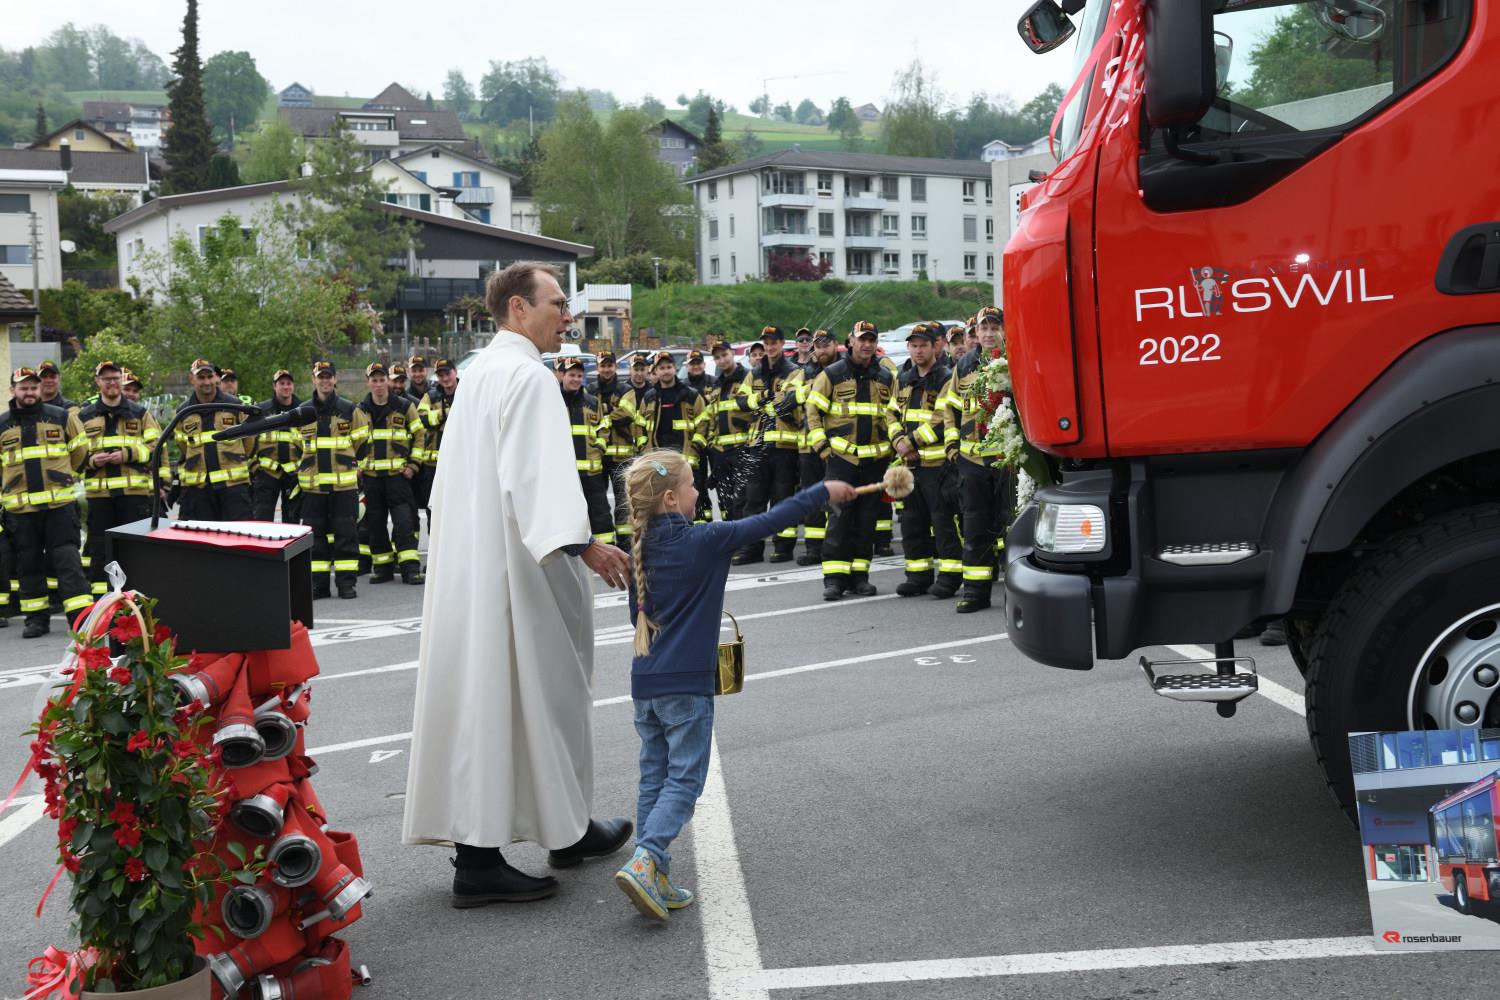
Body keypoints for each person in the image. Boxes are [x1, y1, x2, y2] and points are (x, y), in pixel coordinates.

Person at [403, 261, 634, 907]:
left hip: (481, 562)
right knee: (527, 700)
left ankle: (568, 828)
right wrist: (584, 543)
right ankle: (479, 863)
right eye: (557, 303)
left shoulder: (482, 371)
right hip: (516, 571)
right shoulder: (527, 377)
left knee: (502, 701)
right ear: (518, 309)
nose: (568, 315)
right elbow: (536, 479)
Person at [613, 448, 855, 919]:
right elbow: (767, 522)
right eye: (690, 486)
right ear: (670, 499)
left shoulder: (641, 549)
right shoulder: (706, 539)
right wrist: (821, 492)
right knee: (685, 779)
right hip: (687, 687)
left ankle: (655, 871)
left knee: (654, 777)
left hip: (645, 683)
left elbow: (637, 618)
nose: (697, 492)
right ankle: (645, 859)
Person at [806, 321, 894, 600]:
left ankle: (860, 577)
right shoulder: (832, 374)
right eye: (861, 339)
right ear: (851, 342)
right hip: (841, 460)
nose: (866, 344)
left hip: (875, 462)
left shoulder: (885, 376)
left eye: (871, 339)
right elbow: (812, 411)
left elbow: (894, 415)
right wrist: (822, 447)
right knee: (839, 519)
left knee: (866, 522)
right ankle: (834, 580)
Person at [1, 367, 90, 638]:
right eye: (23, 388)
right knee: (28, 565)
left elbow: (81, 452)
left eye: (33, 387)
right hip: (20, 510)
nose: (29, 392)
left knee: (67, 561)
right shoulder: (2, 425)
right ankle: (36, 620)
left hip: (59, 508)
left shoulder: (61, 417)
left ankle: (81, 619)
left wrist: (63, 478)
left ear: (40, 389)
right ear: (13, 390)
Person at [938, 305, 1013, 613]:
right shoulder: (965, 365)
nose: (989, 333)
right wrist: (952, 448)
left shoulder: (1014, 360)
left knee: (1011, 528)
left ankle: (1016, 593)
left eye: (995, 327)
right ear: (976, 332)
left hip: (1007, 460)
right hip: (972, 462)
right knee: (974, 527)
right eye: (984, 328)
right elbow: (951, 408)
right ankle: (975, 592)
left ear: (1005, 331)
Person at [887, 324, 961, 598]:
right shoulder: (904, 378)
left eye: (923, 345)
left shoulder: (945, 378)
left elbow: (941, 420)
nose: (918, 351)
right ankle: (917, 576)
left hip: (937, 467)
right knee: (912, 522)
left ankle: (950, 578)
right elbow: (891, 414)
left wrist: (911, 442)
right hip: (910, 466)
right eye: (914, 346)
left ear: (935, 347)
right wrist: (899, 442)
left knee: (943, 523)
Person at [78, 360, 160, 597]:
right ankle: (102, 602)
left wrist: (127, 454)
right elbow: (73, 453)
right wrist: (92, 460)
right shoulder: (84, 416)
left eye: (115, 378)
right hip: (99, 497)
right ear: (98, 382)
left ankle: (136, 599)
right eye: (106, 379)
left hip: (133, 496)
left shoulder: (140, 413)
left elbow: (156, 447)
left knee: (133, 549)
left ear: (121, 381)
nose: (111, 383)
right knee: (100, 550)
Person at [296, 361, 369, 600]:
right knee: (315, 540)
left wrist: (352, 468)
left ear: (335, 380)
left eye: (329, 377)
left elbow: (362, 443)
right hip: (313, 489)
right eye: (321, 377)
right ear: (314, 380)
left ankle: (346, 584)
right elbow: (295, 446)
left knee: (346, 536)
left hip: (343, 488)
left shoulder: (349, 410)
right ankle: (319, 585)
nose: (325, 381)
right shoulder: (303, 411)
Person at [735, 326, 803, 564]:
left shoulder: (794, 371)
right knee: (753, 500)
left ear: (782, 343)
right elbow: (741, 402)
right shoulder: (755, 373)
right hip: (758, 444)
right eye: (767, 343)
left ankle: (783, 548)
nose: (770, 347)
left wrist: (761, 403)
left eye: (774, 342)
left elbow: (791, 400)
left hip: (785, 446)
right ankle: (751, 549)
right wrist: (763, 398)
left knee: (782, 499)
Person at [357, 362, 425, 585]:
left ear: (387, 380)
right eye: (374, 380)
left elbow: (419, 435)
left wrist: (413, 465)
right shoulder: (360, 410)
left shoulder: (404, 407)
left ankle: (410, 569)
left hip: (397, 477)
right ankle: (383, 568)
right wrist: (357, 466)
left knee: (404, 523)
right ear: (368, 383)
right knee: (376, 526)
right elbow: (351, 441)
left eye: (381, 380)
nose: (378, 385)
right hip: (372, 478)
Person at [174, 359, 254, 521]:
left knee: (237, 533)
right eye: (201, 378)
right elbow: (183, 444)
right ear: (192, 379)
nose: (206, 382)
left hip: (233, 487)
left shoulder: (235, 406)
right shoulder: (183, 411)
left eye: (210, 377)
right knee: (201, 534)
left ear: (217, 378)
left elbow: (249, 441)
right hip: (199, 489)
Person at [792, 330, 838, 566]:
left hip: (836, 447)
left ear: (835, 345)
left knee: (837, 499)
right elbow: (788, 397)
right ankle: (814, 549)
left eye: (826, 345)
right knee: (812, 499)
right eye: (817, 346)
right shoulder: (805, 372)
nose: (821, 350)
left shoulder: (843, 370)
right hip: (808, 446)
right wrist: (813, 389)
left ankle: (835, 547)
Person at [557, 356, 614, 545]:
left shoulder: (592, 402)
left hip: (591, 474)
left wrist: (598, 449)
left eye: (579, 376)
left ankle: (607, 551)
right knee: (567, 517)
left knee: (600, 517)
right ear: (562, 375)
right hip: (564, 474)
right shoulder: (553, 402)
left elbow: (603, 429)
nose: (576, 379)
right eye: (571, 375)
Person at [701, 342, 756, 525]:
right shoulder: (716, 385)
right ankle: (730, 536)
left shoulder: (748, 377)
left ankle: (744, 537)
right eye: (717, 357)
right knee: (725, 500)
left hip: (742, 450)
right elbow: (711, 417)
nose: (722, 360)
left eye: (724, 355)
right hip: (720, 453)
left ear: (732, 353)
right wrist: (711, 443)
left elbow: (759, 410)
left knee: (744, 499)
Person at [591, 351, 635, 550]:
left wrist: (604, 420)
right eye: (603, 365)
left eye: (609, 365)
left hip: (621, 456)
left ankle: (625, 544)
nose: (606, 369)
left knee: (623, 502)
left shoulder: (625, 389)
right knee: (599, 503)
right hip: (597, 456)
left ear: (615, 366)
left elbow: (627, 413)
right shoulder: (590, 390)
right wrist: (608, 417)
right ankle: (604, 544)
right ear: (597, 367)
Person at [251, 369, 304, 523]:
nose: (285, 387)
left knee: (292, 522)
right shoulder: (262, 410)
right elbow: (250, 440)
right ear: (274, 386)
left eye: (288, 383)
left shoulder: (302, 410)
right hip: (266, 474)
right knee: (262, 521)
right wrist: (254, 467)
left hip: (294, 475)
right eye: (281, 383)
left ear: (293, 386)